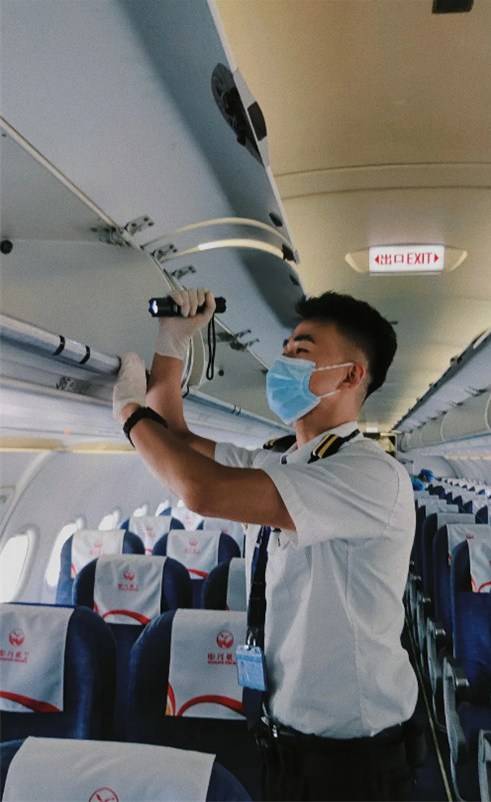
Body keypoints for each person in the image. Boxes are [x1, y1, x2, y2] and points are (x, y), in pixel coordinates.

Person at [113, 287, 422, 801]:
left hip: (354, 760)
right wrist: (173, 339)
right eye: (285, 349)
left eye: (302, 350)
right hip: (281, 742)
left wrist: (128, 413)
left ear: (351, 375)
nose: (284, 361)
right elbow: (177, 439)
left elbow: (202, 491)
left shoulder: (371, 475)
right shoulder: (279, 462)